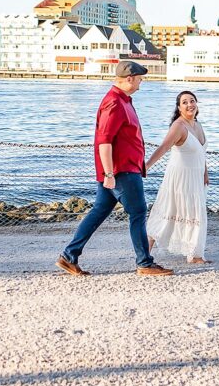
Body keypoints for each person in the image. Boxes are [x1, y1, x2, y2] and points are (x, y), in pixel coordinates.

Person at [56, 61, 173, 277]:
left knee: (99, 211)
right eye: (139, 79)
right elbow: (105, 141)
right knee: (138, 212)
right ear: (129, 79)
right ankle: (145, 263)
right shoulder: (114, 103)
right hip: (122, 172)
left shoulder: (123, 101)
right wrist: (109, 173)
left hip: (124, 169)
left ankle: (69, 256)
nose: (141, 83)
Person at [145, 91, 210, 264]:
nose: (190, 105)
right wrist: (146, 166)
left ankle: (195, 255)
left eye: (192, 101)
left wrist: (205, 172)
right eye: (185, 102)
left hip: (196, 178)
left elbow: (202, 152)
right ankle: (144, 255)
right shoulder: (179, 126)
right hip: (179, 178)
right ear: (179, 107)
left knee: (195, 214)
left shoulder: (198, 124)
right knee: (167, 213)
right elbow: (164, 147)